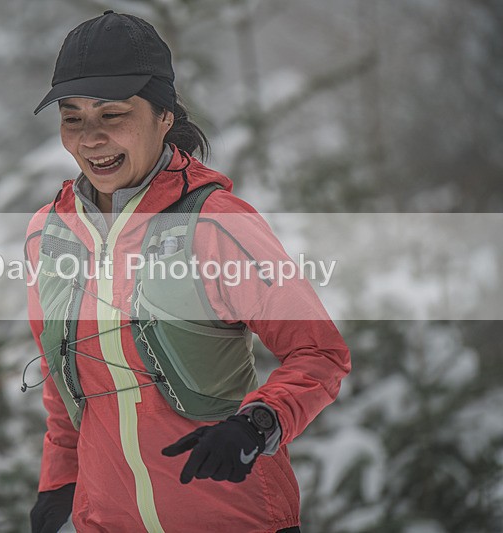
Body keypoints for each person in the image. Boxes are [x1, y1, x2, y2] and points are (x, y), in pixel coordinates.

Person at [24, 10, 350, 533]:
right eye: (73, 118)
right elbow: (63, 388)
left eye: (112, 115)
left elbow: (320, 352)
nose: (91, 139)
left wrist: (258, 422)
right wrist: (59, 483)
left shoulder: (216, 224)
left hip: (237, 520)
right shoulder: (49, 234)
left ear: (164, 116)